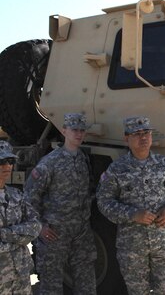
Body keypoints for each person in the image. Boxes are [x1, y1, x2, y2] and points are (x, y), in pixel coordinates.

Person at [96, 116, 165, 295]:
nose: (143, 138)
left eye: (146, 133)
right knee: (138, 291)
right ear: (126, 138)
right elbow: (104, 201)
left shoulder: (164, 164)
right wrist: (132, 214)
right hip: (132, 246)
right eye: (136, 134)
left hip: (163, 241)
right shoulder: (117, 169)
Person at [24, 113, 97, 295]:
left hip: (81, 234)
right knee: (51, 285)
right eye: (74, 130)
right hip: (55, 235)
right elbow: (30, 196)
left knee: (86, 283)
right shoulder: (50, 162)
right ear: (64, 131)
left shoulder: (83, 159)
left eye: (82, 130)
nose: (79, 134)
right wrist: (39, 227)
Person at [0, 140, 42, 295]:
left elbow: (35, 226)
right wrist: (19, 240)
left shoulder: (16, 195)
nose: (7, 166)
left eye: (10, 161)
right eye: (1, 161)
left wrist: (5, 234)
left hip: (21, 276)